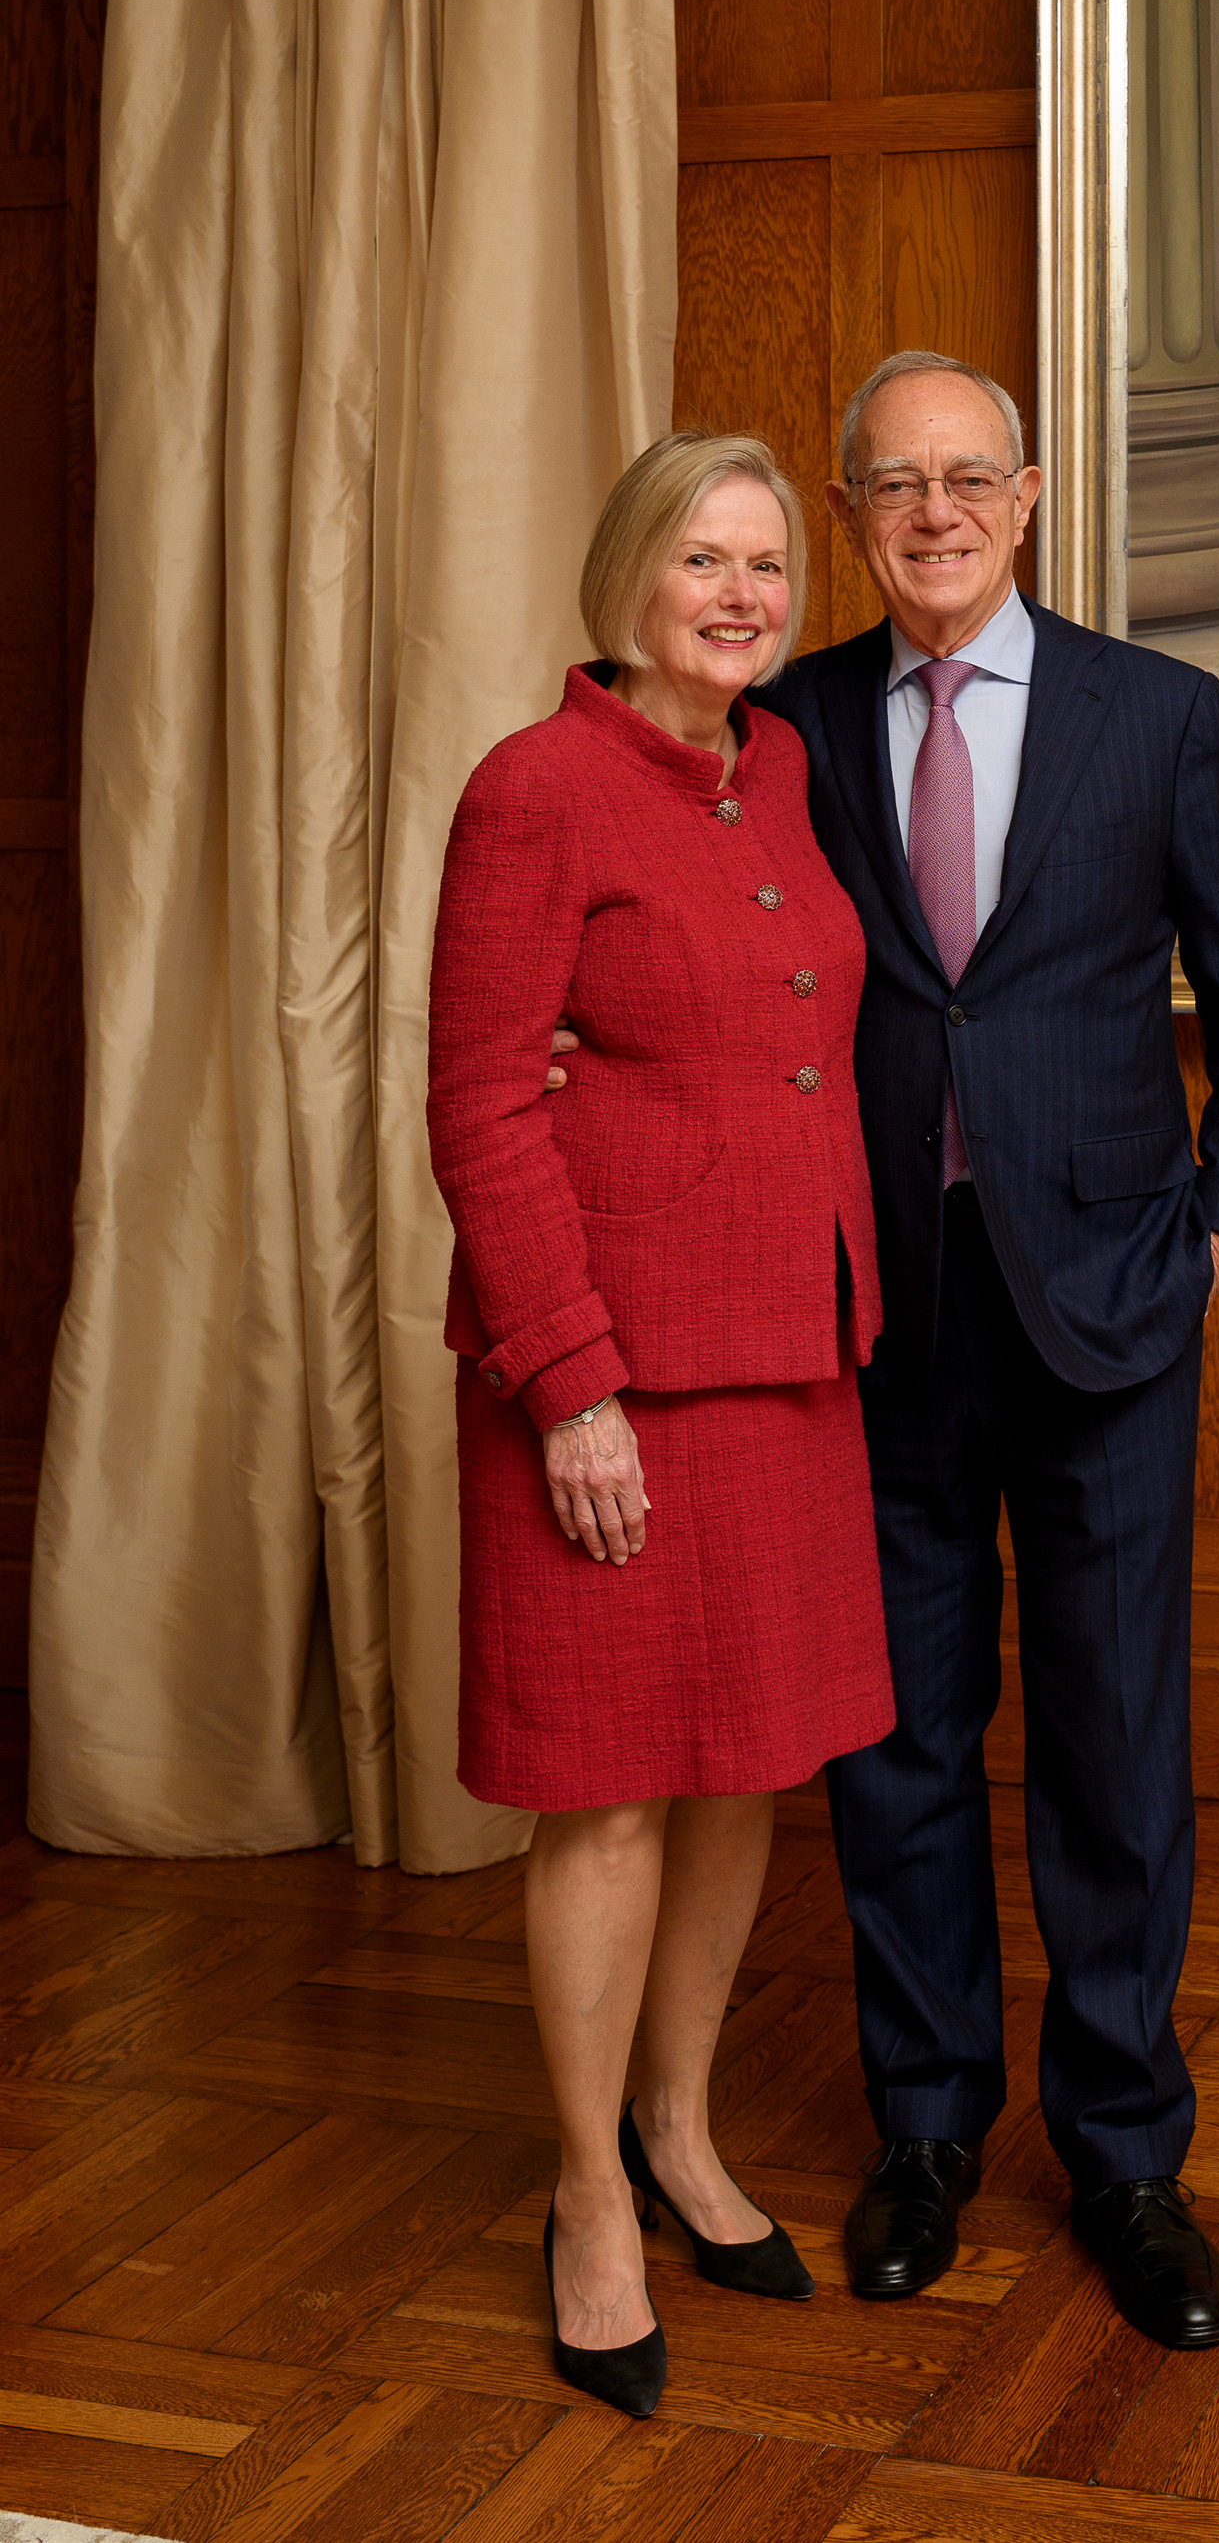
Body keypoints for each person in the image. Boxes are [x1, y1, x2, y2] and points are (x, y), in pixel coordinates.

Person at [761, 349, 1219, 2351]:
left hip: (1105, 1309)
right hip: (869, 1314)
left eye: (965, 477)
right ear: (848, 515)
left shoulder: (1153, 716)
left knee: (1105, 1743)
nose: (931, 510)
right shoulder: (788, 726)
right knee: (894, 1743)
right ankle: (920, 2130)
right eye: (891, 483)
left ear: (1027, 496)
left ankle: (1123, 2155)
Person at [428, 432, 895, 2421]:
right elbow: (479, 1105)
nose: (736, 593)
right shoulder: (534, 789)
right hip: (610, 1381)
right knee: (606, 1791)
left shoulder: (777, 764)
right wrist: (568, 1381)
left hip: (785, 1357)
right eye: (699, 559)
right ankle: (584, 2199)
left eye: (765, 564)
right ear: (627, 574)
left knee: (740, 1771)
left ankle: (684, 2130)